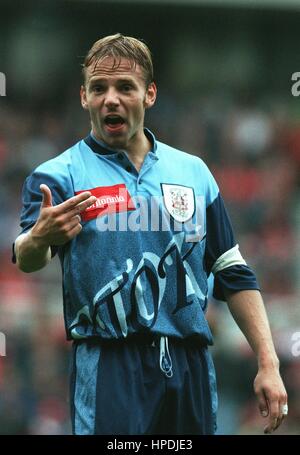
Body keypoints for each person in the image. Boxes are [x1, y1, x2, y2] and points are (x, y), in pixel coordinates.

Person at [13, 33, 287, 435]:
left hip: (189, 363)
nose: (111, 98)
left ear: (150, 95)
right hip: (109, 364)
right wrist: (41, 237)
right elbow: (26, 257)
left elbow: (232, 270)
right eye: (99, 88)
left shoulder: (194, 173)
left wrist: (268, 362)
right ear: (83, 97)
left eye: (126, 87)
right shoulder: (59, 174)